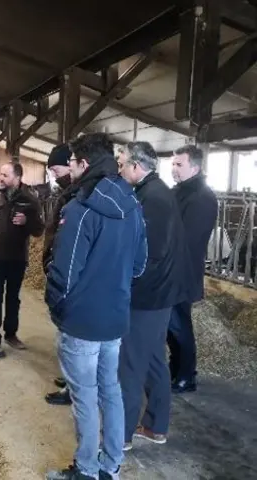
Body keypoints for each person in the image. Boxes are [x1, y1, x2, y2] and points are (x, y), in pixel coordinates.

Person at [45, 133, 147, 480]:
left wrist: (56, 306)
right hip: (115, 318)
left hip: (83, 323)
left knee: (85, 398)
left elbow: (65, 272)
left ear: (83, 164)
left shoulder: (80, 208)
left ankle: (87, 470)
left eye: (70, 162)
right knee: (111, 392)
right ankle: (111, 466)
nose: (68, 169)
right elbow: (139, 266)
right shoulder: (132, 203)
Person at [117, 142, 191, 451]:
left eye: (122, 164)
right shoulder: (153, 192)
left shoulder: (153, 198)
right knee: (153, 361)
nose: (119, 170)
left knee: (131, 364)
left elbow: (152, 254)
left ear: (136, 166)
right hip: (160, 293)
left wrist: (127, 285)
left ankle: (120, 436)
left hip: (149, 296)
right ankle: (156, 425)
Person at [0, 162, 44, 358]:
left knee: (13, 299)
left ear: (17, 177)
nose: (1, 178)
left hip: (17, 259)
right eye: (1, 174)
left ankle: (11, 334)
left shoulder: (30, 201)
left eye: (5, 175)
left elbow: (39, 229)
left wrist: (27, 222)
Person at [168, 145, 218, 393]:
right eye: (173, 164)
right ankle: (175, 366)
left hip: (182, 273)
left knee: (180, 325)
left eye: (180, 164)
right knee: (171, 326)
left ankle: (188, 375)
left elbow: (187, 240)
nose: (174, 169)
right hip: (171, 270)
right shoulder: (180, 192)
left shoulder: (202, 197)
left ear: (195, 167)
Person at [42, 143, 77, 407]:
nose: (54, 174)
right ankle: (68, 379)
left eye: (56, 168)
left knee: (70, 335)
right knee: (63, 333)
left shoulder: (78, 195)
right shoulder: (66, 192)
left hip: (69, 276)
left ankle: (72, 388)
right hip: (59, 267)